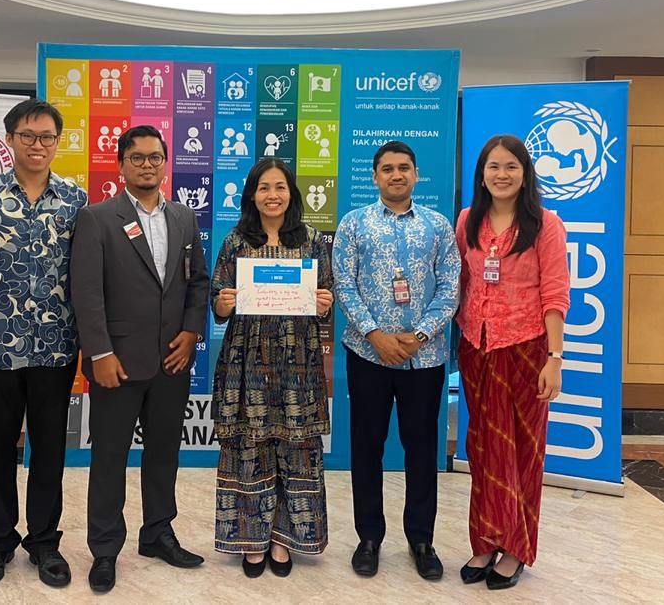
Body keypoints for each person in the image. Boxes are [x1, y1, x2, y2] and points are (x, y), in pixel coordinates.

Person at [70, 125, 209, 593]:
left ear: (166, 162)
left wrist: (192, 331)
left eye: (155, 157)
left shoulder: (184, 218)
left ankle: (158, 534)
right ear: (122, 165)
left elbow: (198, 283)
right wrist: (101, 353)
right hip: (118, 363)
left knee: (164, 454)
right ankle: (105, 549)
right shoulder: (97, 218)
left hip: (172, 361)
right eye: (138, 158)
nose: (147, 165)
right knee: (109, 457)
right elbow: (86, 294)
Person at [0, 99, 88, 590]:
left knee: (49, 447)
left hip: (56, 346)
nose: (38, 145)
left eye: (48, 137)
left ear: (58, 142)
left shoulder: (75, 200)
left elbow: (83, 275)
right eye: (28, 136)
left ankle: (44, 542)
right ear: (11, 138)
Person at [333, 140, 460, 582]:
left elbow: (450, 288)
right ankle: (369, 537)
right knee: (366, 447)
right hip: (367, 353)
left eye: (404, 168)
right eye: (387, 169)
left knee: (422, 450)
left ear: (416, 174)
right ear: (374, 176)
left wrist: (420, 335)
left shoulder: (438, 226)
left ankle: (421, 539)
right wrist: (375, 335)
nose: (396, 175)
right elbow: (343, 286)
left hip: (424, 359)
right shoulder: (354, 224)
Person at [210, 158, 334, 578]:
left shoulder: (314, 241)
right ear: (252, 195)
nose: (273, 195)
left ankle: (284, 539)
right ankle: (251, 539)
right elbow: (217, 299)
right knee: (251, 448)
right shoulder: (236, 241)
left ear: (291, 194)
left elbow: (328, 296)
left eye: (280, 187)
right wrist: (222, 303)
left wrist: (323, 303)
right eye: (264, 187)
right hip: (247, 360)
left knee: (296, 450)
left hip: (298, 361)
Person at [455, 134, 569, 590]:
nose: (501, 175)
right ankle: (484, 542)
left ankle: (516, 549)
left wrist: (555, 358)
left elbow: (555, 294)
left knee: (521, 451)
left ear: (525, 174)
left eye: (511, 167)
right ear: (481, 174)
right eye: (493, 167)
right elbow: (460, 282)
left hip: (525, 350)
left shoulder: (545, 224)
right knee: (482, 449)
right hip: (475, 349)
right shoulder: (468, 220)